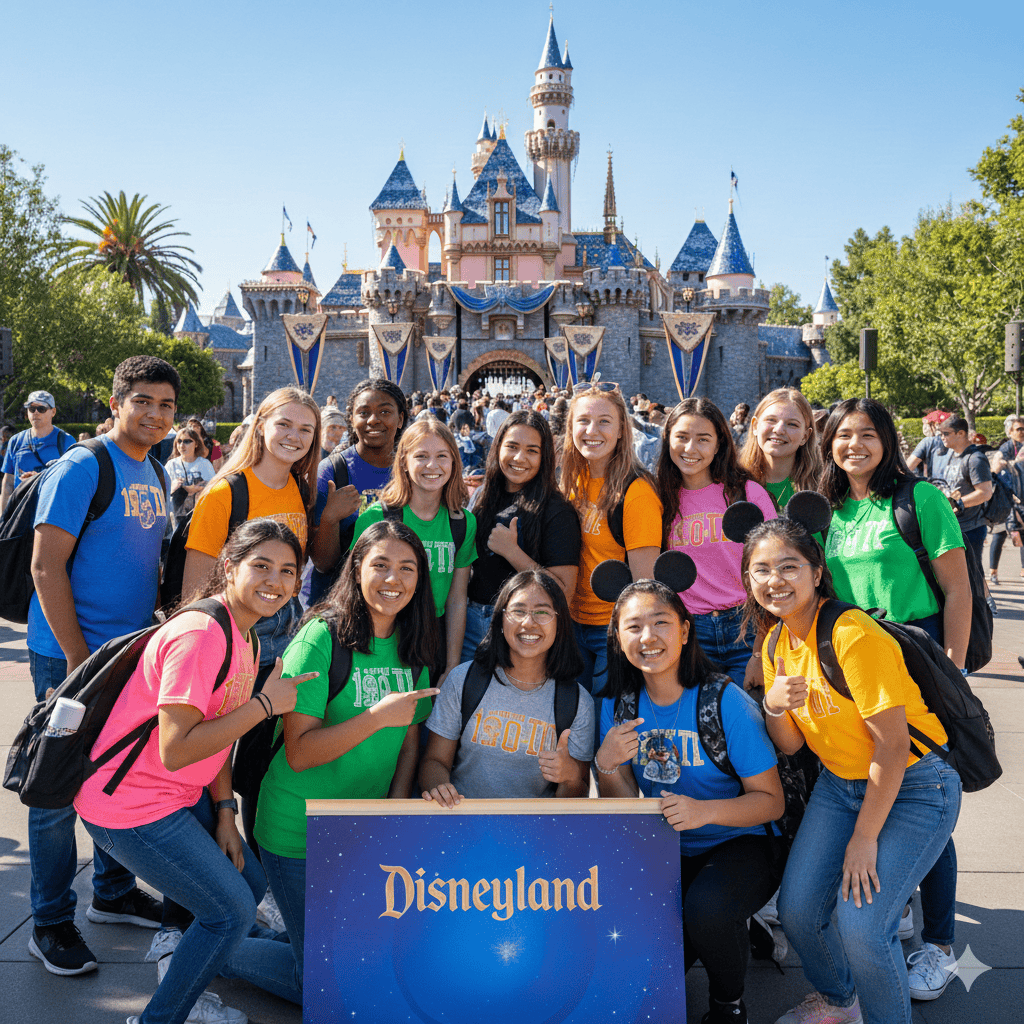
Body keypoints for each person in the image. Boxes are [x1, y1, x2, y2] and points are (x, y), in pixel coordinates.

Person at [73, 519, 317, 1024]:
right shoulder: (202, 633)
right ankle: (163, 1015)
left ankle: (204, 960)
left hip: (178, 797)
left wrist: (226, 813)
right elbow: (176, 748)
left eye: (288, 571)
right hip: (129, 809)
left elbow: (219, 736)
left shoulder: (244, 633)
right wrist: (266, 705)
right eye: (262, 566)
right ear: (229, 568)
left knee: (246, 891)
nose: (276, 580)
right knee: (229, 911)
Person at [741, 513, 961, 1024]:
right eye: (761, 570)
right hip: (842, 786)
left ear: (817, 571)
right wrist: (774, 706)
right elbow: (792, 744)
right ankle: (841, 1002)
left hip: (915, 784)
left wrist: (864, 839)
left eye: (789, 567)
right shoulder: (775, 643)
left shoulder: (850, 633)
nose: (775, 581)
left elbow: (892, 745)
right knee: (797, 913)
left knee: (863, 926)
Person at [229, 519, 440, 1007]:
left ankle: (278, 945)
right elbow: (300, 753)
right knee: (327, 984)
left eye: (407, 568)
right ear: (357, 569)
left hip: (357, 831)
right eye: (380, 565)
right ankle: (213, 949)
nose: (394, 579)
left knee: (346, 954)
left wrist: (393, 813)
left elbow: (408, 743)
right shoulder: (320, 639)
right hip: (296, 831)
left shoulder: (414, 646)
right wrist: (374, 717)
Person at [26, 356, 180, 976]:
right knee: (57, 789)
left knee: (115, 778)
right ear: (116, 404)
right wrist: (73, 656)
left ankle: (112, 895)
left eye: (166, 405)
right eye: (142, 401)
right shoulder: (83, 465)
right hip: (72, 657)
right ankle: (50, 921)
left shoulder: (158, 471)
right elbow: (45, 566)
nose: (155, 414)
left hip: (128, 655)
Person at [818, 399, 970, 998]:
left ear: (887, 440)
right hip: (849, 662)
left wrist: (954, 671)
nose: (854, 445)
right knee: (869, 781)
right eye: (843, 435)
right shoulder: (827, 509)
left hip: (916, 657)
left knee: (925, 791)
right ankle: (896, 900)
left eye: (867, 435)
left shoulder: (920, 501)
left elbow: (957, 590)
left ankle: (937, 944)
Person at [595, 576, 783, 1024]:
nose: (648, 637)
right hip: (666, 851)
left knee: (707, 912)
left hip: (742, 842)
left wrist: (706, 811)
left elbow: (771, 802)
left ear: (684, 629)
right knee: (639, 978)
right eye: (633, 626)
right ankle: (729, 924)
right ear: (618, 639)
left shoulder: (726, 700)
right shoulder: (617, 706)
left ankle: (728, 1005)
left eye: (661, 622)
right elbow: (622, 806)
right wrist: (605, 766)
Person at [183, 386, 321, 854]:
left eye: (306, 428)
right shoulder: (225, 492)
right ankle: (184, 909)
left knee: (261, 764)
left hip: (282, 642)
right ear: (260, 424)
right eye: (284, 423)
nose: (294, 436)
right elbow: (194, 595)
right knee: (207, 764)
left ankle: (262, 876)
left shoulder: (300, 488)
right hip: (231, 642)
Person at [420, 569, 593, 803]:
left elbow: (576, 795)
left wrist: (570, 775)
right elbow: (434, 761)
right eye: (518, 611)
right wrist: (440, 788)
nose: (528, 623)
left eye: (542, 612)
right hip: (462, 823)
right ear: (501, 619)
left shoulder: (577, 701)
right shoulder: (464, 679)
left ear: (559, 622)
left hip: (535, 832)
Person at [656, 398, 776, 687]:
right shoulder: (659, 498)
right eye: (681, 437)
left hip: (745, 628)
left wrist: (759, 653)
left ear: (719, 444)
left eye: (703, 439)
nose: (690, 449)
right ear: (667, 439)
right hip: (690, 630)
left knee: (746, 720)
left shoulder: (747, 493)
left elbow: (773, 571)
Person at [350, 419, 477, 683]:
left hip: (435, 637)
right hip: (385, 633)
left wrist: (452, 664)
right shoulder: (376, 518)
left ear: (454, 462)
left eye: (442, 456)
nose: (432, 466)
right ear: (404, 462)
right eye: (421, 456)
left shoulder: (463, 523)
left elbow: (456, 599)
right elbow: (353, 589)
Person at [560, 382, 662, 703]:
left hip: (612, 629)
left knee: (603, 726)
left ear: (621, 430)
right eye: (583, 420)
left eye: (604, 421)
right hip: (572, 623)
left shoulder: (637, 492)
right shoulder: (571, 479)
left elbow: (645, 583)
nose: (593, 430)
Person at [461, 411, 581, 661]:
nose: (519, 458)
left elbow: (564, 593)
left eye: (532, 451)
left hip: (525, 628)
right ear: (498, 448)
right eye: (512, 447)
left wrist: (513, 553)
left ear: (545, 457)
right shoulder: (482, 496)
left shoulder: (557, 511)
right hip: (472, 625)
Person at [309, 378, 408, 603]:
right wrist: (330, 519)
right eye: (363, 413)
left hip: (394, 601)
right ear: (352, 420)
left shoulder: (411, 472)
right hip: (338, 602)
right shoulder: (332, 472)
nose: (374, 420)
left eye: (385, 411)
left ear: (400, 419)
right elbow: (323, 564)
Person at [740, 387, 821, 511]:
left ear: (805, 436)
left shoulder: (822, 489)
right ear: (755, 426)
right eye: (771, 420)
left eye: (792, 424)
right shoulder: (734, 485)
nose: (779, 430)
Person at [1, 390, 76, 510]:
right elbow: (8, 483)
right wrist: (3, 520)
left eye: (41, 408)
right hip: (20, 512)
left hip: (52, 512)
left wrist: (39, 479)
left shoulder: (66, 441)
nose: (36, 412)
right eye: (31, 408)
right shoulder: (16, 441)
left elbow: (73, 481)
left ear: (53, 412)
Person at [937, 417, 993, 570]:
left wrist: (957, 503)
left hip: (970, 529)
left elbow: (985, 492)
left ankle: (982, 595)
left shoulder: (976, 459)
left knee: (972, 578)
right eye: (940, 434)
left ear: (961, 433)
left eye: (946, 433)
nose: (942, 437)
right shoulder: (951, 456)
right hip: (954, 526)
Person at [164, 425, 216, 525]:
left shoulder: (205, 464)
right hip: (176, 517)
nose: (182, 445)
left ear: (196, 444)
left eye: (187, 441)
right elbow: (161, 491)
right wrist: (174, 487)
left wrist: (199, 488)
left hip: (199, 515)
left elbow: (214, 488)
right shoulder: (171, 465)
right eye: (179, 441)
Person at [988, 448, 1024, 582]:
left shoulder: (1018, 469)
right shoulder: (1000, 470)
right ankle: (993, 571)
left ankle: (1023, 570)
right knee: (999, 535)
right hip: (1003, 508)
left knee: (1018, 535)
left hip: (1015, 507)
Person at [906, 412, 953, 479]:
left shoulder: (928, 442)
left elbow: (909, 466)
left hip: (935, 486)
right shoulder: (957, 440)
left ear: (935, 425)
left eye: (928, 424)